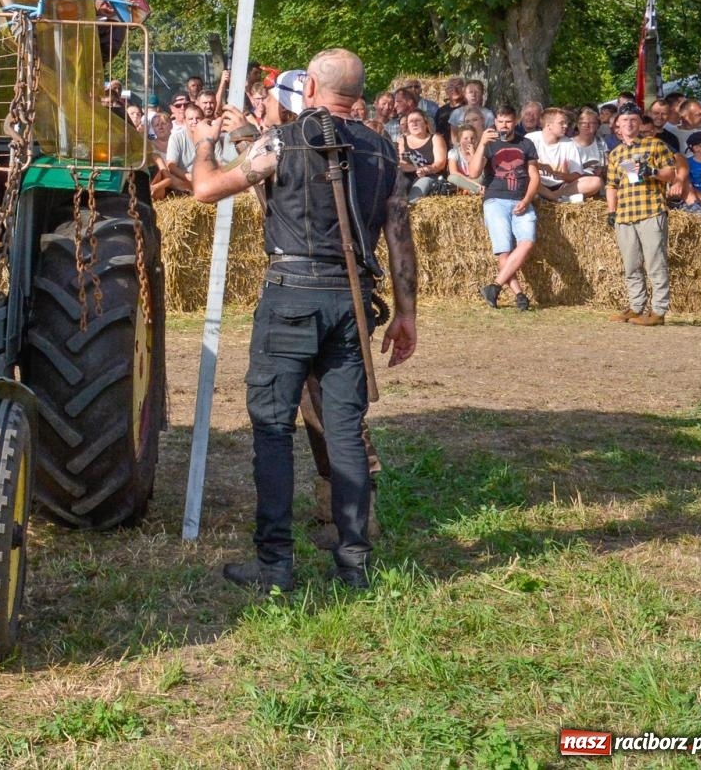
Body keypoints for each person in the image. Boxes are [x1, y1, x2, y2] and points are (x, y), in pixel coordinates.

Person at [191, 48, 416, 592]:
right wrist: (407, 314)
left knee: (273, 430)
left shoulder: (280, 143)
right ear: (357, 94)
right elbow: (401, 240)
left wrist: (203, 143)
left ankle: (274, 567)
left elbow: (204, 189)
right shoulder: (385, 151)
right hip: (353, 302)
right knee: (343, 432)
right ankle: (353, 562)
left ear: (310, 89)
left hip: (291, 295)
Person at [606, 105, 678, 325]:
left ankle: (658, 311)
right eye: (625, 120)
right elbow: (611, 185)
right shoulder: (616, 153)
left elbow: (671, 174)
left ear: (639, 123)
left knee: (655, 263)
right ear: (618, 125)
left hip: (650, 210)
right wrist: (611, 211)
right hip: (625, 214)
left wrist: (653, 172)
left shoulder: (655, 145)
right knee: (631, 265)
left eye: (633, 120)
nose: (629, 124)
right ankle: (636, 307)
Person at [469, 106, 539, 312]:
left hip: (521, 199)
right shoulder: (489, 145)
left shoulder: (526, 144)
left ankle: (494, 286)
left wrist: (527, 200)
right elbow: (473, 173)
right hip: (496, 200)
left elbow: (534, 176)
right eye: (500, 121)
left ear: (515, 121)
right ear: (495, 122)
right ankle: (519, 294)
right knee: (504, 251)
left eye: (508, 121)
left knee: (527, 243)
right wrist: (481, 143)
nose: (504, 125)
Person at [528, 107, 600, 202]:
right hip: (537, 183)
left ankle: (551, 197)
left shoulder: (569, 143)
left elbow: (577, 175)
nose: (566, 126)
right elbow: (521, 166)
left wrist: (561, 175)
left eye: (566, 123)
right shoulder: (531, 139)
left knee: (596, 182)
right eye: (561, 123)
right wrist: (541, 166)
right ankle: (556, 198)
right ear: (549, 125)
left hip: (561, 187)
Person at [394, 110, 447, 202]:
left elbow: (440, 163)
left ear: (426, 123)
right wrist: (417, 168)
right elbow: (401, 164)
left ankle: (410, 208)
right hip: (408, 176)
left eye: (418, 120)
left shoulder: (435, 138)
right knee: (401, 183)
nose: (414, 123)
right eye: (411, 121)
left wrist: (427, 169)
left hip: (430, 176)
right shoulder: (403, 140)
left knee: (423, 182)